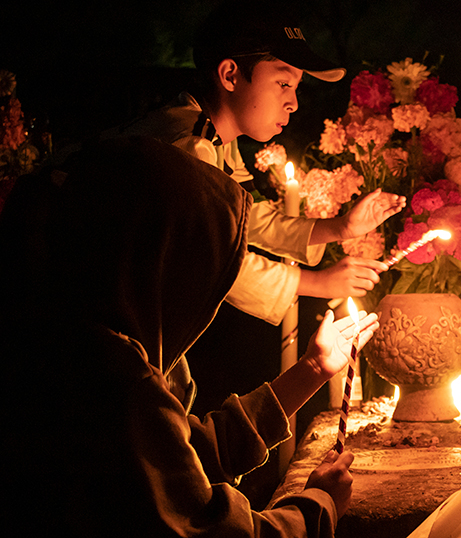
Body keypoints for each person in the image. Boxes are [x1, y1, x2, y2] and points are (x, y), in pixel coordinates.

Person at [0, 135, 378, 537]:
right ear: (160, 260)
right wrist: (317, 506)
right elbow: (208, 529)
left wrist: (313, 369)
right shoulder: (110, 375)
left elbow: (184, 454)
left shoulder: (76, 340)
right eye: (200, 266)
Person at [106, 0, 406, 326]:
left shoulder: (218, 139)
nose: (293, 103)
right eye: (284, 84)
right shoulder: (189, 148)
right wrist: (317, 283)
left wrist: (340, 228)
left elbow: (246, 220)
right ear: (230, 75)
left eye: (296, 87)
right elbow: (212, 255)